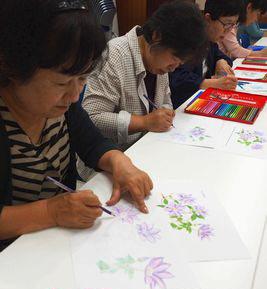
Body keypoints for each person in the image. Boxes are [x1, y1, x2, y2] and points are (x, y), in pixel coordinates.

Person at [0, 0, 153, 252]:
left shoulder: (61, 107)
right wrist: (50, 211)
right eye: (61, 84)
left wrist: (120, 163)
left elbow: (93, 144)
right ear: (14, 69)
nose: (73, 96)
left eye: (82, 78)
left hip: (59, 247)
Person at [81, 0, 208, 155]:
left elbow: (165, 101)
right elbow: (92, 118)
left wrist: (166, 113)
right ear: (156, 36)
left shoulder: (158, 61)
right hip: (107, 161)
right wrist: (144, 122)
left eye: (179, 63)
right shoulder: (114, 56)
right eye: (174, 59)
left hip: (147, 148)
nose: (173, 68)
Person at [170, 0, 241, 109]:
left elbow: (220, 55)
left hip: (200, 100)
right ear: (208, 19)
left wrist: (221, 62)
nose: (229, 30)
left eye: (233, 25)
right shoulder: (188, 41)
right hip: (180, 105)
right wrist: (214, 83)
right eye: (227, 24)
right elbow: (176, 78)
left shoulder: (209, 41)